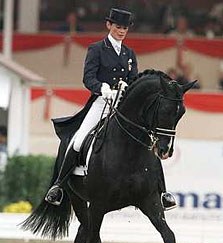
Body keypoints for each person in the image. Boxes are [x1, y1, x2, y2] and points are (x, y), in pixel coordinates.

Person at [45, 8, 178, 211]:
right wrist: (102, 88)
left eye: (124, 28)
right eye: (118, 27)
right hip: (101, 101)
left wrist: (128, 87)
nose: (121, 31)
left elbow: (134, 79)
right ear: (109, 25)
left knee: (146, 142)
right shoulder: (96, 49)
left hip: (123, 105)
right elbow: (88, 77)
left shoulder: (129, 53)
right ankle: (59, 186)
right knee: (79, 139)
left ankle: (163, 192)